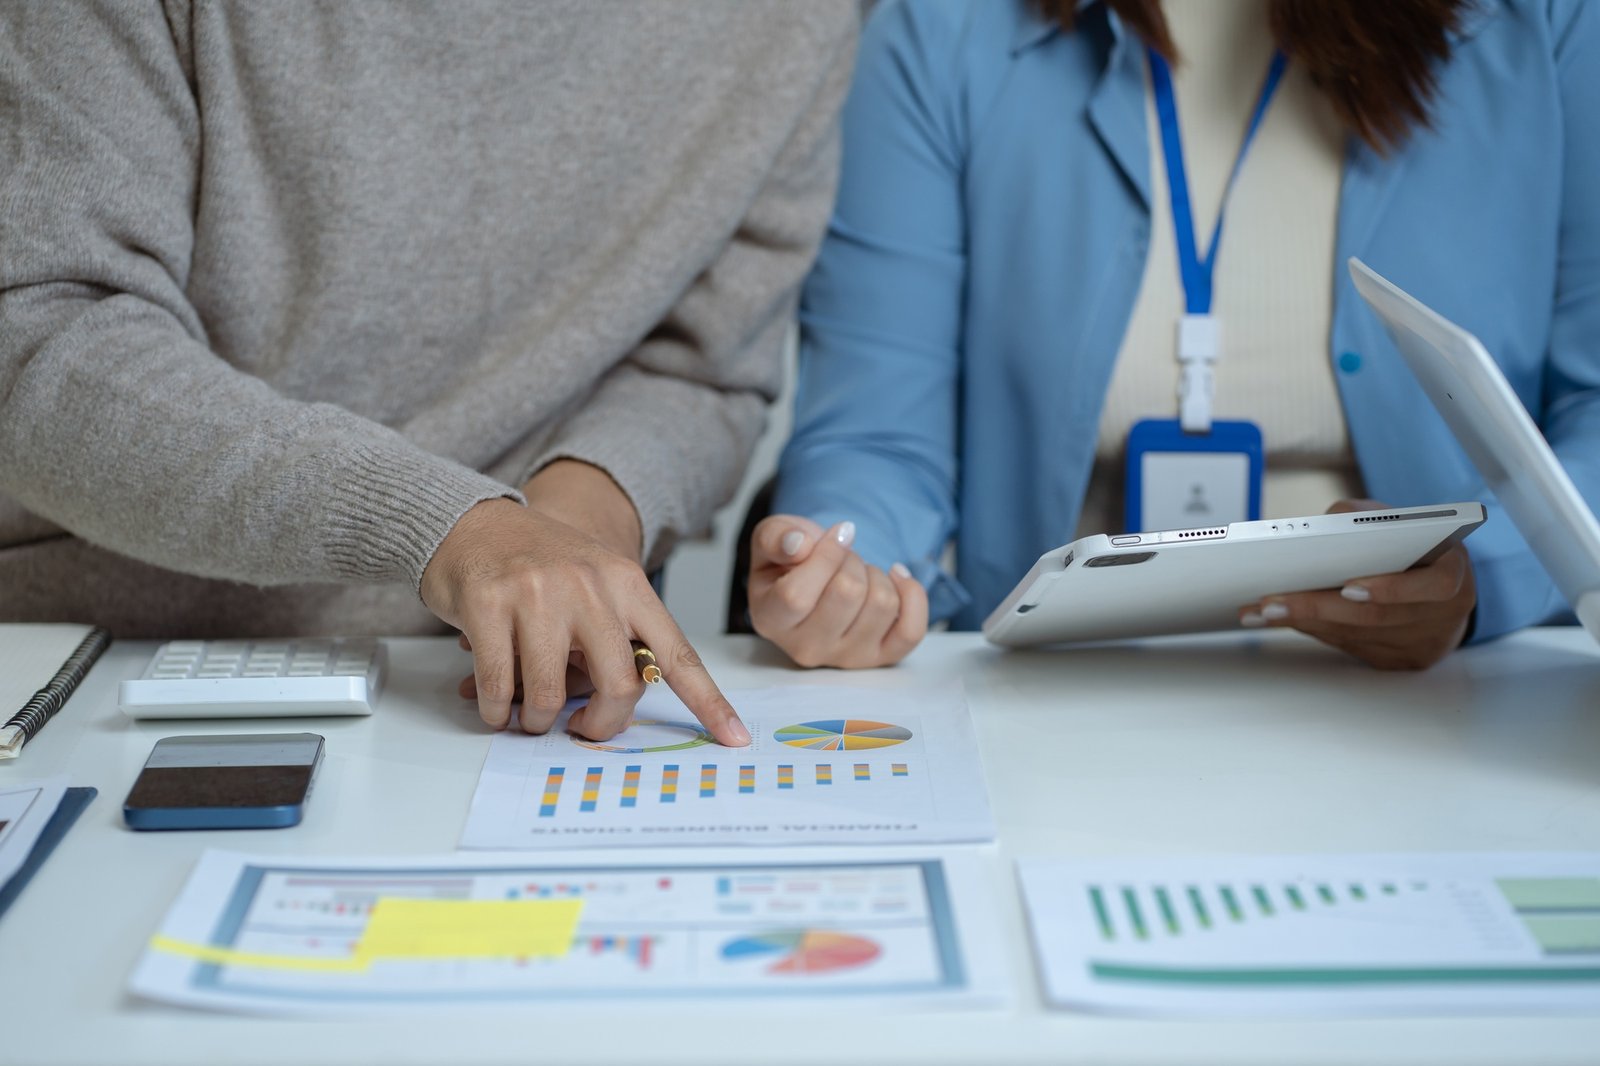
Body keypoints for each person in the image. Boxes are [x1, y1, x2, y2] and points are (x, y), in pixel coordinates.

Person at [0, 2, 858, 744]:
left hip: (508, 696)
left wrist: (587, 509)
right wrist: (445, 525)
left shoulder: (794, 24)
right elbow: (40, 330)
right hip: (85, 663)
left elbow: (704, 371)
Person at [748, 0, 1600, 670]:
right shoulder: (937, 34)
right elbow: (877, 432)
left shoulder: (1548, 23)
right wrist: (842, 566)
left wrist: (1480, 584)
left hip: (1435, 701)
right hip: (1058, 705)